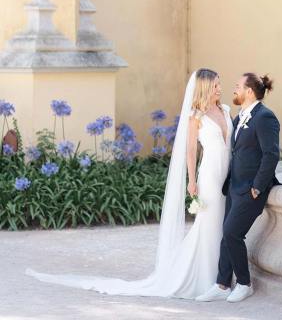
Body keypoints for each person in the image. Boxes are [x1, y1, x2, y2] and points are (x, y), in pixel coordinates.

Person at [26, 68, 233, 299]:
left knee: (225, 223)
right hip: (210, 177)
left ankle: (224, 276)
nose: (219, 87)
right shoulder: (196, 118)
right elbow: (192, 152)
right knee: (209, 224)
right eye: (215, 84)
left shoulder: (225, 110)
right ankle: (208, 279)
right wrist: (192, 181)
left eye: (219, 83)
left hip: (228, 175)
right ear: (205, 88)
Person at [196, 72, 280, 303]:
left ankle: (244, 283)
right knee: (227, 234)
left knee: (233, 233)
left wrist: (257, 187)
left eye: (237, 86)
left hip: (251, 188)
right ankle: (222, 285)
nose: (233, 89)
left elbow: (271, 154)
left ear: (249, 91)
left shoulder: (265, 117)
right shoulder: (241, 116)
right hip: (234, 186)